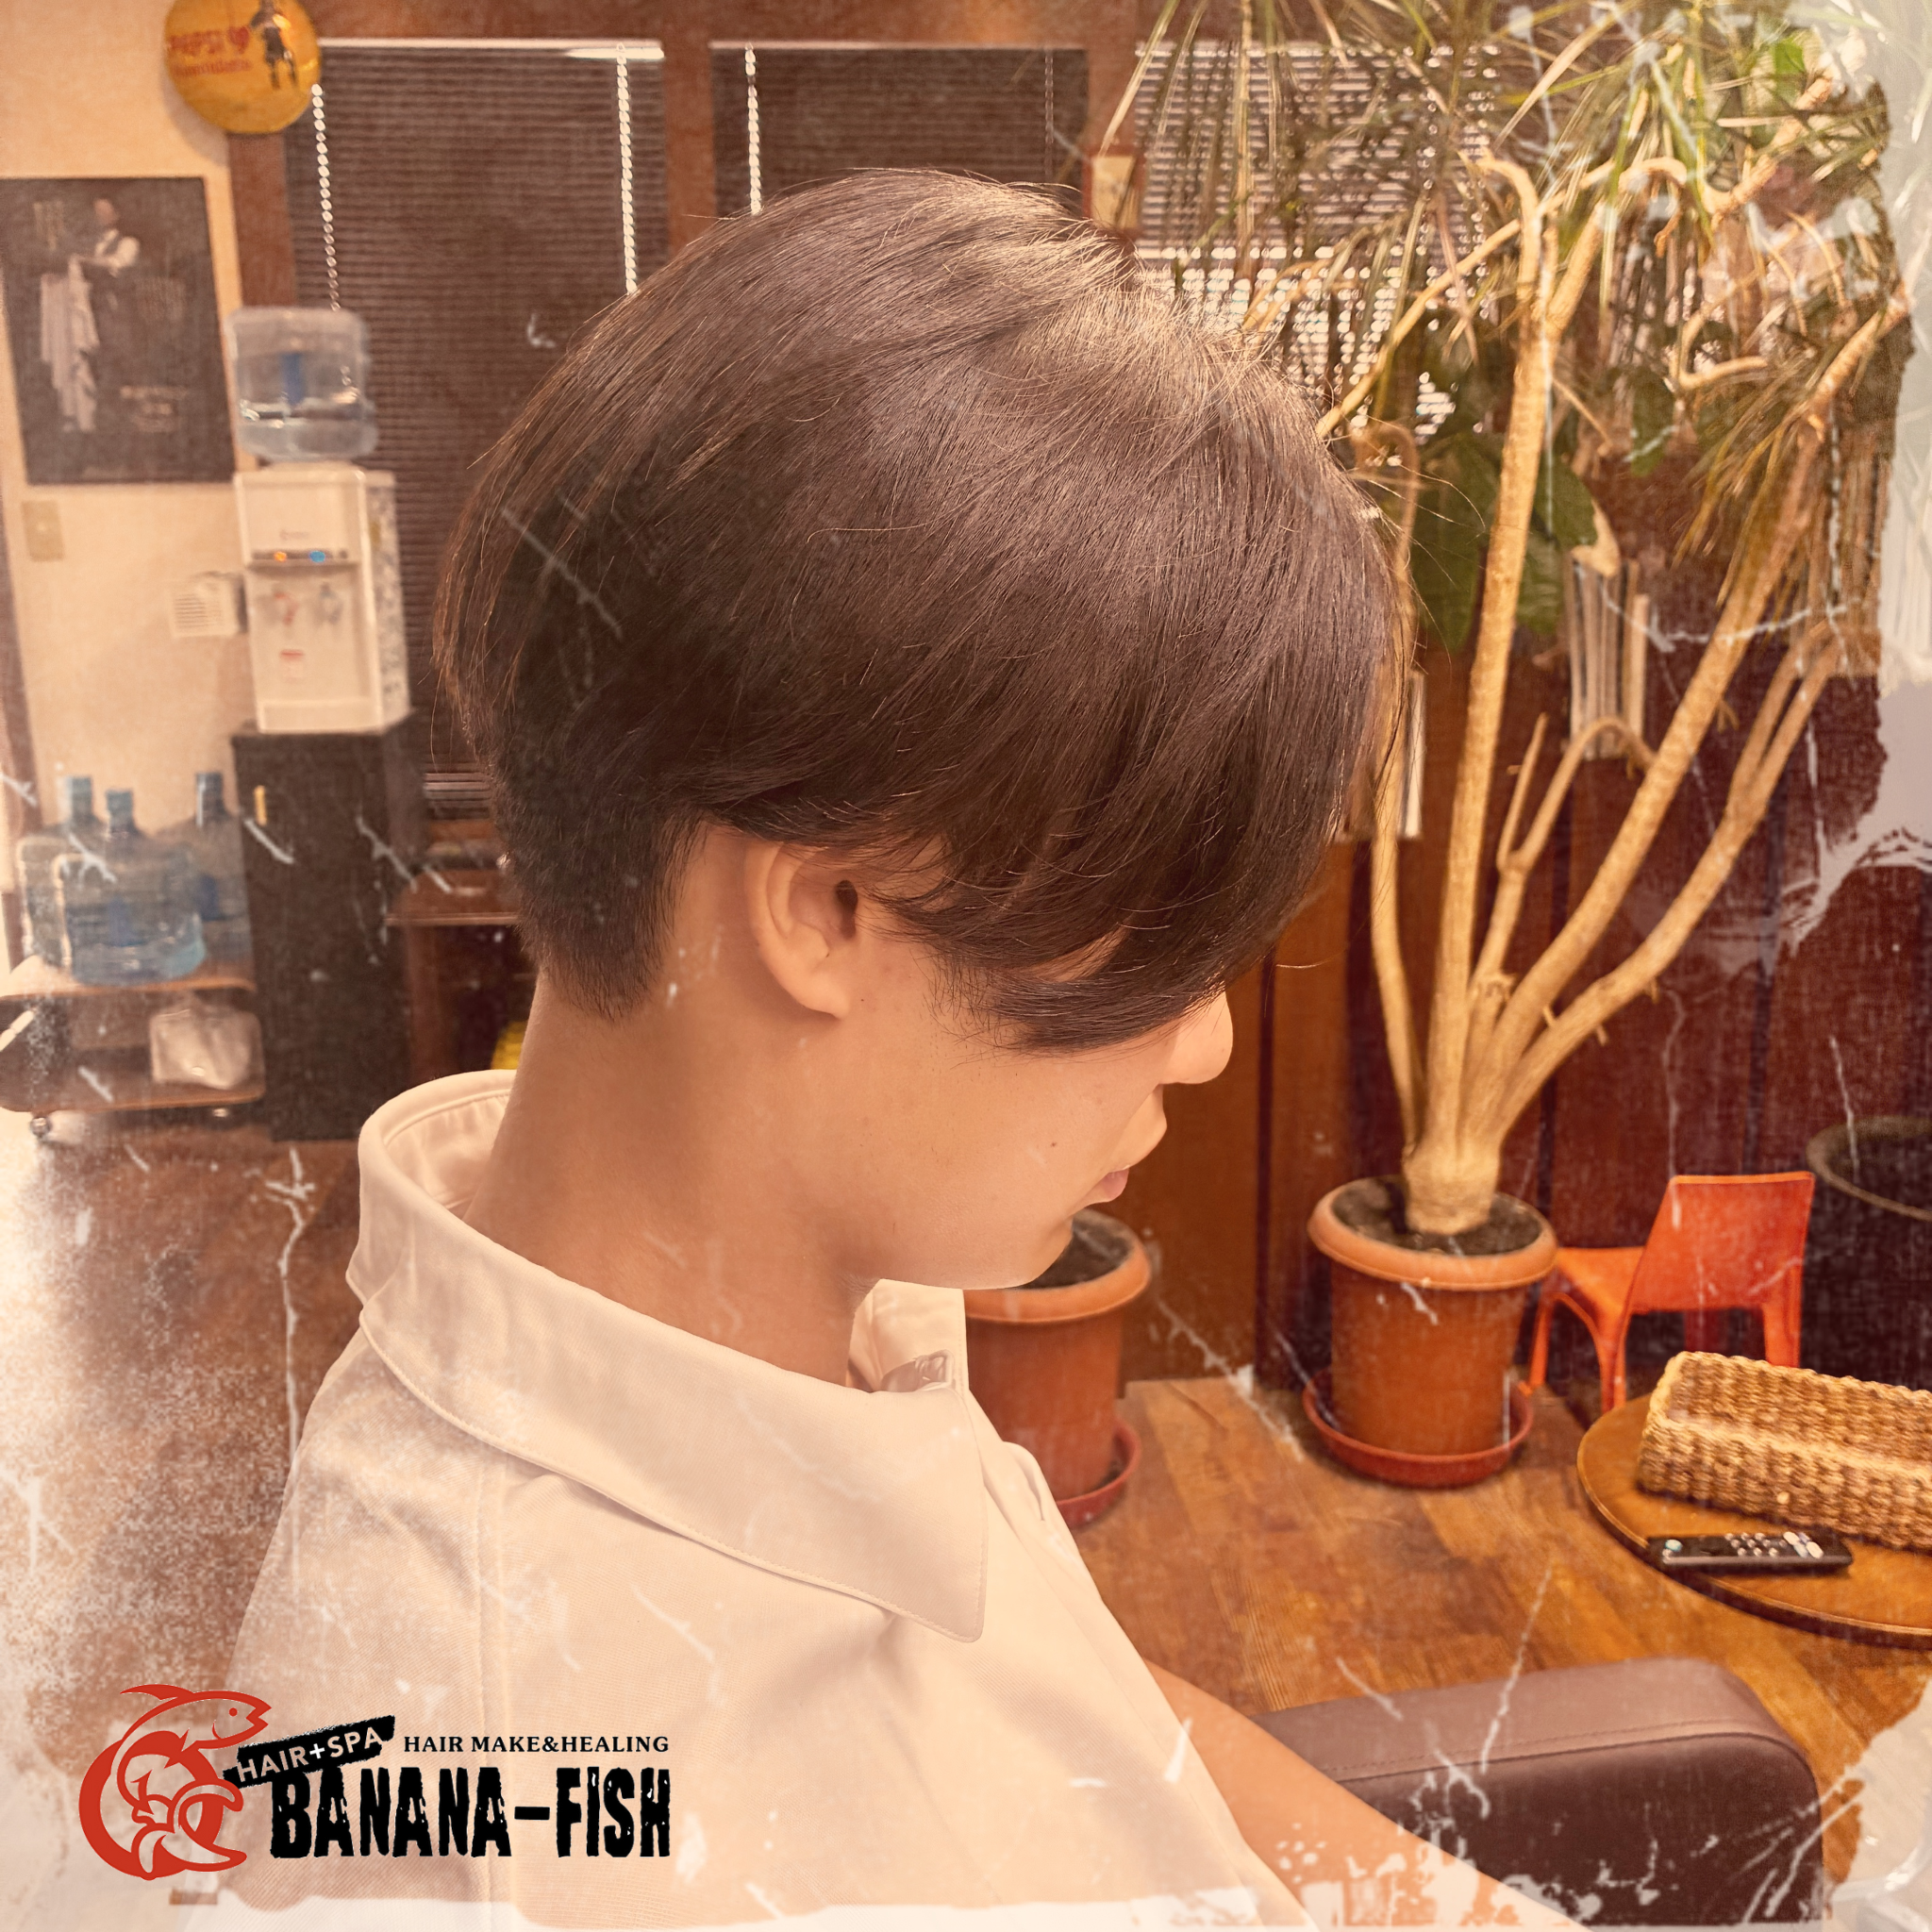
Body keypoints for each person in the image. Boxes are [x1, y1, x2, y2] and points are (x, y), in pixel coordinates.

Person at [225, 171, 1565, 1928]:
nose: (1206, 1041)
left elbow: (1077, 1718)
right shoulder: (481, 1784)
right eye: (1159, 945)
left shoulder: (809, 1303)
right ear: (833, 910)